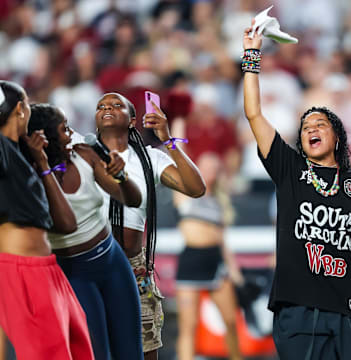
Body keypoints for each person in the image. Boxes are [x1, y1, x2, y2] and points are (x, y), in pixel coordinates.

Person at [242, 23, 351, 359]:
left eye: (321, 123)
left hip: (345, 312)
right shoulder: (290, 170)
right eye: (306, 126)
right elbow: (254, 114)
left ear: (337, 137)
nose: (312, 128)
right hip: (297, 312)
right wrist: (251, 55)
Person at [27, 103, 144, 360]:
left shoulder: (85, 154)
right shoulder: (31, 178)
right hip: (73, 272)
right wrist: (44, 166)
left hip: (113, 263)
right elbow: (65, 224)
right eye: (64, 129)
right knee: (95, 354)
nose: (71, 134)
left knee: (131, 352)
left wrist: (122, 176)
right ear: (43, 139)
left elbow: (133, 200)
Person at [96, 92, 206, 360]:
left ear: (133, 120)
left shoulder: (150, 158)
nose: (107, 107)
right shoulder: (82, 152)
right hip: (91, 263)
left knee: (145, 347)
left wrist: (168, 140)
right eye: (101, 106)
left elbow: (196, 188)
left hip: (135, 266)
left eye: (116, 105)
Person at [0, 81, 95, 360]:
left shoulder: (22, 153)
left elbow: (66, 223)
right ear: (20, 109)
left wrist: (41, 162)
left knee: (78, 351)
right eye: (27, 104)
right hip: (20, 270)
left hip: (47, 269)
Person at [174, 152, 244, 360]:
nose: (209, 171)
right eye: (205, 166)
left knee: (231, 321)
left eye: (214, 167)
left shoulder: (219, 200)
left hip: (216, 262)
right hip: (191, 260)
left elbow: (223, 241)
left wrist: (234, 270)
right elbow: (178, 160)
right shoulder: (186, 191)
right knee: (188, 326)